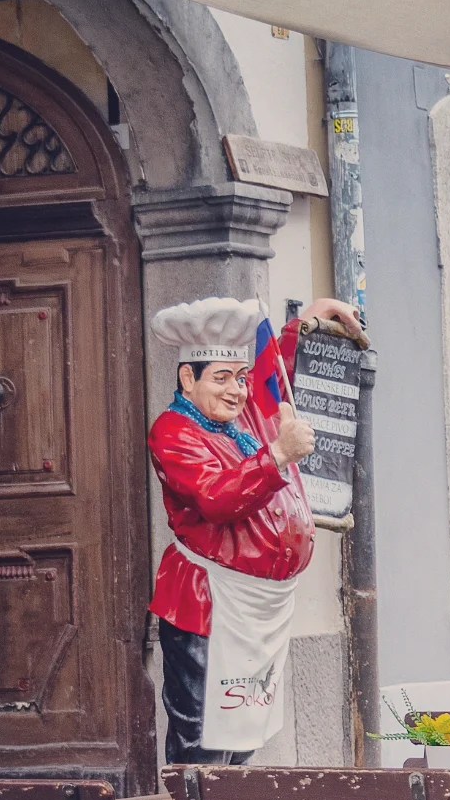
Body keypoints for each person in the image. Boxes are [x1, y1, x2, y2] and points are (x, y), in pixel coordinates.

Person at [147, 294, 363, 764]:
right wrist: (278, 455)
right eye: (221, 378)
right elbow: (216, 499)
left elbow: (272, 374)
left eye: (239, 378)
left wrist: (309, 317)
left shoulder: (240, 416)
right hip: (209, 604)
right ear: (188, 377)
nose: (236, 390)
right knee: (203, 734)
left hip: (257, 608)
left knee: (244, 732)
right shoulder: (173, 431)